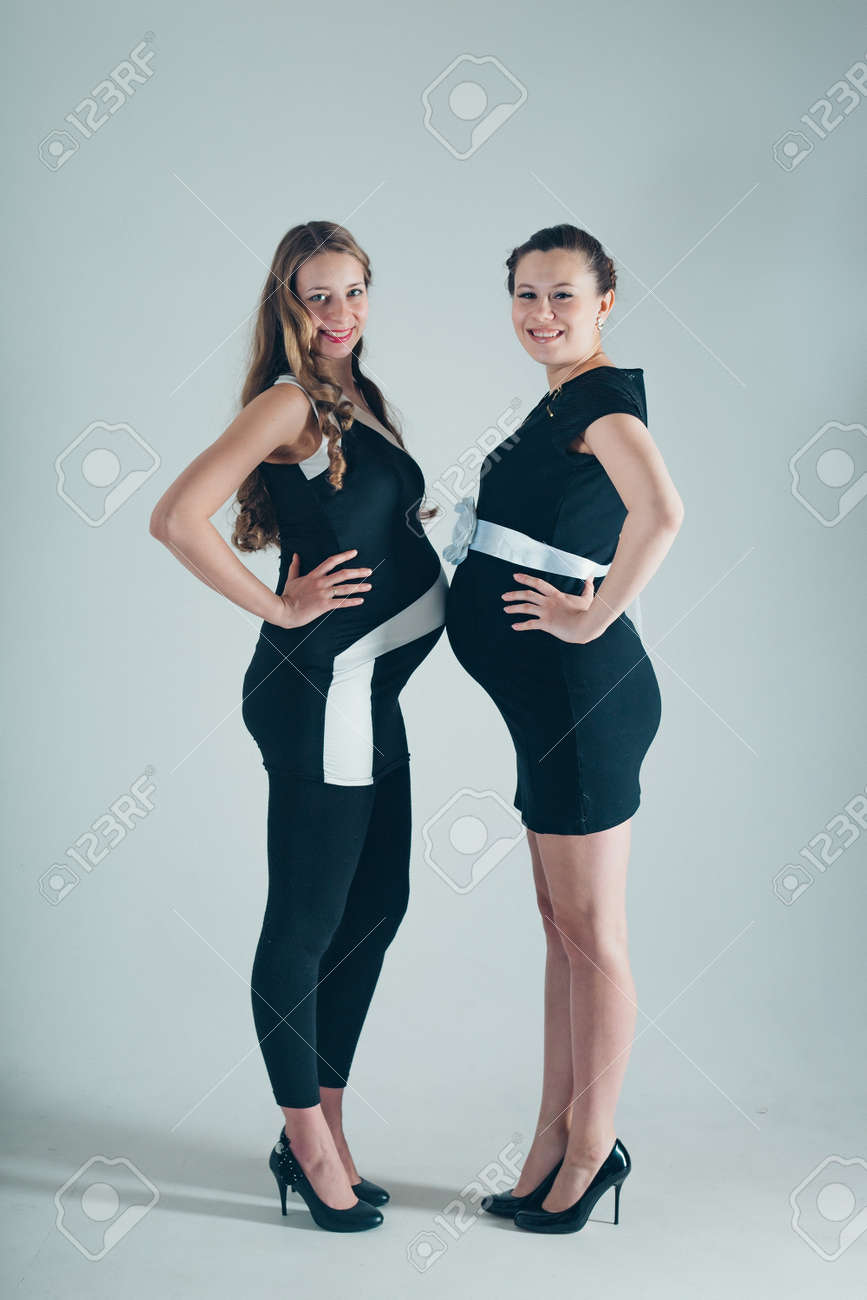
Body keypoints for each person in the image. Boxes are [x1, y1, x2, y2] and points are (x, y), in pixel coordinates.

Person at [149, 221, 446, 1232]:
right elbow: (177, 514)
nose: (340, 315)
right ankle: (308, 1147)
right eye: (319, 297)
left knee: (380, 903)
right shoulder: (287, 402)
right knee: (307, 921)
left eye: (355, 291)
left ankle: (323, 1118)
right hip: (320, 690)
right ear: (287, 303)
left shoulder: (359, 397)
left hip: (372, 693)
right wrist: (280, 607)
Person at [444, 223, 684, 1234]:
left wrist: (592, 612)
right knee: (562, 933)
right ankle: (551, 1137)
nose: (542, 314)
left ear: (605, 304)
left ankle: (594, 1151)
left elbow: (661, 512)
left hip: (585, 705)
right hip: (550, 706)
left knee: (594, 936)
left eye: (563, 297)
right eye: (527, 296)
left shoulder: (595, 396)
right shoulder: (558, 398)